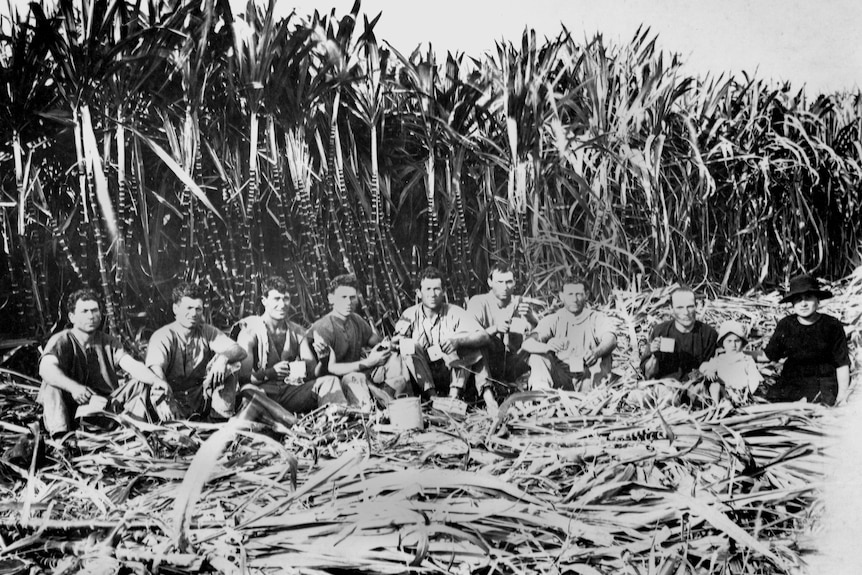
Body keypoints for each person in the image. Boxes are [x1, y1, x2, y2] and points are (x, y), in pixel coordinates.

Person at [38, 289, 172, 438]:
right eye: (84, 311)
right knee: (51, 384)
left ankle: (132, 430)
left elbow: (131, 365)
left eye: (94, 310)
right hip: (72, 407)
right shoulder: (62, 339)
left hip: (104, 405)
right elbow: (45, 368)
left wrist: (156, 380)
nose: (90, 316)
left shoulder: (108, 341)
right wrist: (74, 388)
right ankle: (61, 438)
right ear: (72, 317)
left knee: (140, 383)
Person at [236, 276, 349, 414]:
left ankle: (337, 419)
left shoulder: (297, 332)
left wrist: (324, 360)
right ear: (264, 301)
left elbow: (312, 374)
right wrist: (270, 373)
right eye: (276, 299)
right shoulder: (250, 331)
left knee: (329, 381)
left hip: (290, 392)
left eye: (286, 299)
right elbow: (243, 379)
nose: (282, 304)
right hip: (263, 394)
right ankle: (280, 421)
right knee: (248, 392)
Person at [394, 266, 494, 407]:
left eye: (436, 289)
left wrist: (458, 340)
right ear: (418, 293)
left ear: (444, 291)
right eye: (427, 289)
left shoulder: (455, 312)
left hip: (450, 372)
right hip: (423, 376)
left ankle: (454, 398)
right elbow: (397, 343)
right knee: (409, 345)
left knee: (464, 340)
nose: (432, 294)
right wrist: (398, 342)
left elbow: (484, 336)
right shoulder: (409, 314)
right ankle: (433, 398)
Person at [146, 282, 247, 420]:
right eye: (188, 308)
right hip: (173, 397)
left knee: (232, 365)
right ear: (176, 309)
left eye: (198, 309)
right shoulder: (163, 336)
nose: (193, 314)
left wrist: (223, 359)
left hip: (199, 396)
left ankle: (220, 419)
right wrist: (167, 399)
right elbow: (156, 373)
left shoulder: (206, 331)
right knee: (158, 390)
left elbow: (240, 351)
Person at [309, 274, 409, 410]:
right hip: (337, 386)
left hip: (362, 376)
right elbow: (332, 368)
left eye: (352, 297)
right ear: (331, 299)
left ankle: (400, 402)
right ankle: (373, 406)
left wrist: (391, 344)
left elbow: (375, 341)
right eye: (343, 297)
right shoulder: (323, 328)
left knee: (396, 358)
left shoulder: (356, 320)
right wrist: (369, 362)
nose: (348, 302)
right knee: (354, 378)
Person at [761, 274, 850, 406]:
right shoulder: (786, 325)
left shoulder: (831, 325)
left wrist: (842, 396)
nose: (803, 303)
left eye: (808, 297)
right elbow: (769, 355)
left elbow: (842, 364)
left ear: (818, 299)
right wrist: (739, 353)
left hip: (822, 382)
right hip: (792, 381)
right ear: (792, 303)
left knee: (819, 409)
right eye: (798, 299)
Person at [522, 277, 617, 391]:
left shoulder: (596, 318)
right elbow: (527, 343)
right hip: (562, 378)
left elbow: (611, 339)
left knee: (605, 355)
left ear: (586, 295)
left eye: (579, 294)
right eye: (570, 294)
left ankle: (598, 395)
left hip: (589, 377)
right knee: (537, 356)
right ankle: (542, 394)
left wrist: (596, 353)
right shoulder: (553, 319)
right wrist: (546, 347)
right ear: (562, 296)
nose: (574, 299)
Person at [466, 262, 538, 389]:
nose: (504, 287)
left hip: (514, 363)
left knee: (536, 342)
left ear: (514, 282)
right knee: (483, 343)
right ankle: (488, 391)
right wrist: (495, 329)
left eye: (509, 282)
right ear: (490, 282)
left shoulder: (520, 303)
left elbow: (540, 333)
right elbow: (469, 338)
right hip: (486, 363)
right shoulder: (478, 302)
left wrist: (531, 318)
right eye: (499, 282)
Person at [641, 287, 718, 380]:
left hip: (696, 387)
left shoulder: (709, 334)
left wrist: (687, 382)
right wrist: (654, 356)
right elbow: (648, 375)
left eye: (690, 306)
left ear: (696, 306)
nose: (686, 312)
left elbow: (714, 370)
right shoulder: (660, 331)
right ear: (671, 309)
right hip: (664, 388)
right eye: (680, 307)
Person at [699, 320, 763, 405]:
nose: (733, 345)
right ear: (723, 344)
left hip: (741, 394)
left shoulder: (747, 360)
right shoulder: (720, 359)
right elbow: (703, 367)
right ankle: (716, 406)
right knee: (715, 386)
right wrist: (708, 371)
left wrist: (749, 393)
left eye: (737, 341)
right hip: (724, 393)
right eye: (729, 341)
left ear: (742, 343)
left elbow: (754, 378)